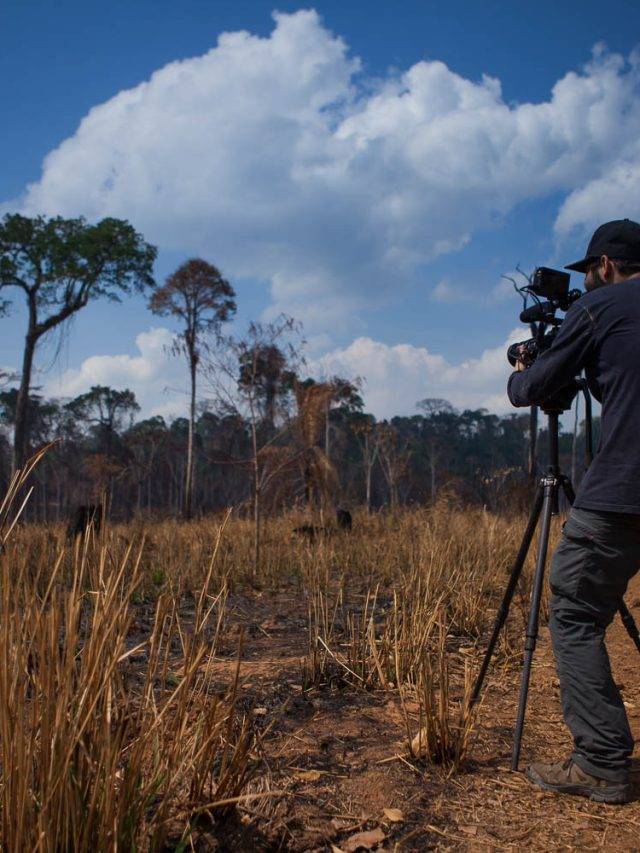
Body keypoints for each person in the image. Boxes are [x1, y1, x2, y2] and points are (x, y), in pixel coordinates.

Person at [507, 219, 640, 804]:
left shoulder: (600, 307)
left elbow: (533, 388)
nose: (586, 281)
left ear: (605, 266)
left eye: (588, 271)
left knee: (575, 612)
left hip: (623, 493)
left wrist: (522, 369)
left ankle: (601, 762)